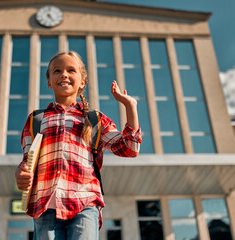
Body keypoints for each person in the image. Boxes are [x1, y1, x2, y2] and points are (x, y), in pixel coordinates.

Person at [15, 51, 142, 239]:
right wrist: (21, 173)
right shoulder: (36, 119)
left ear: (82, 81)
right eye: (57, 71)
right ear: (49, 81)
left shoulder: (95, 119)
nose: (64, 74)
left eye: (71, 70)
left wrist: (130, 107)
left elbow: (130, 149)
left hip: (85, 203)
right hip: (45, 205)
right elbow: (28, 161)